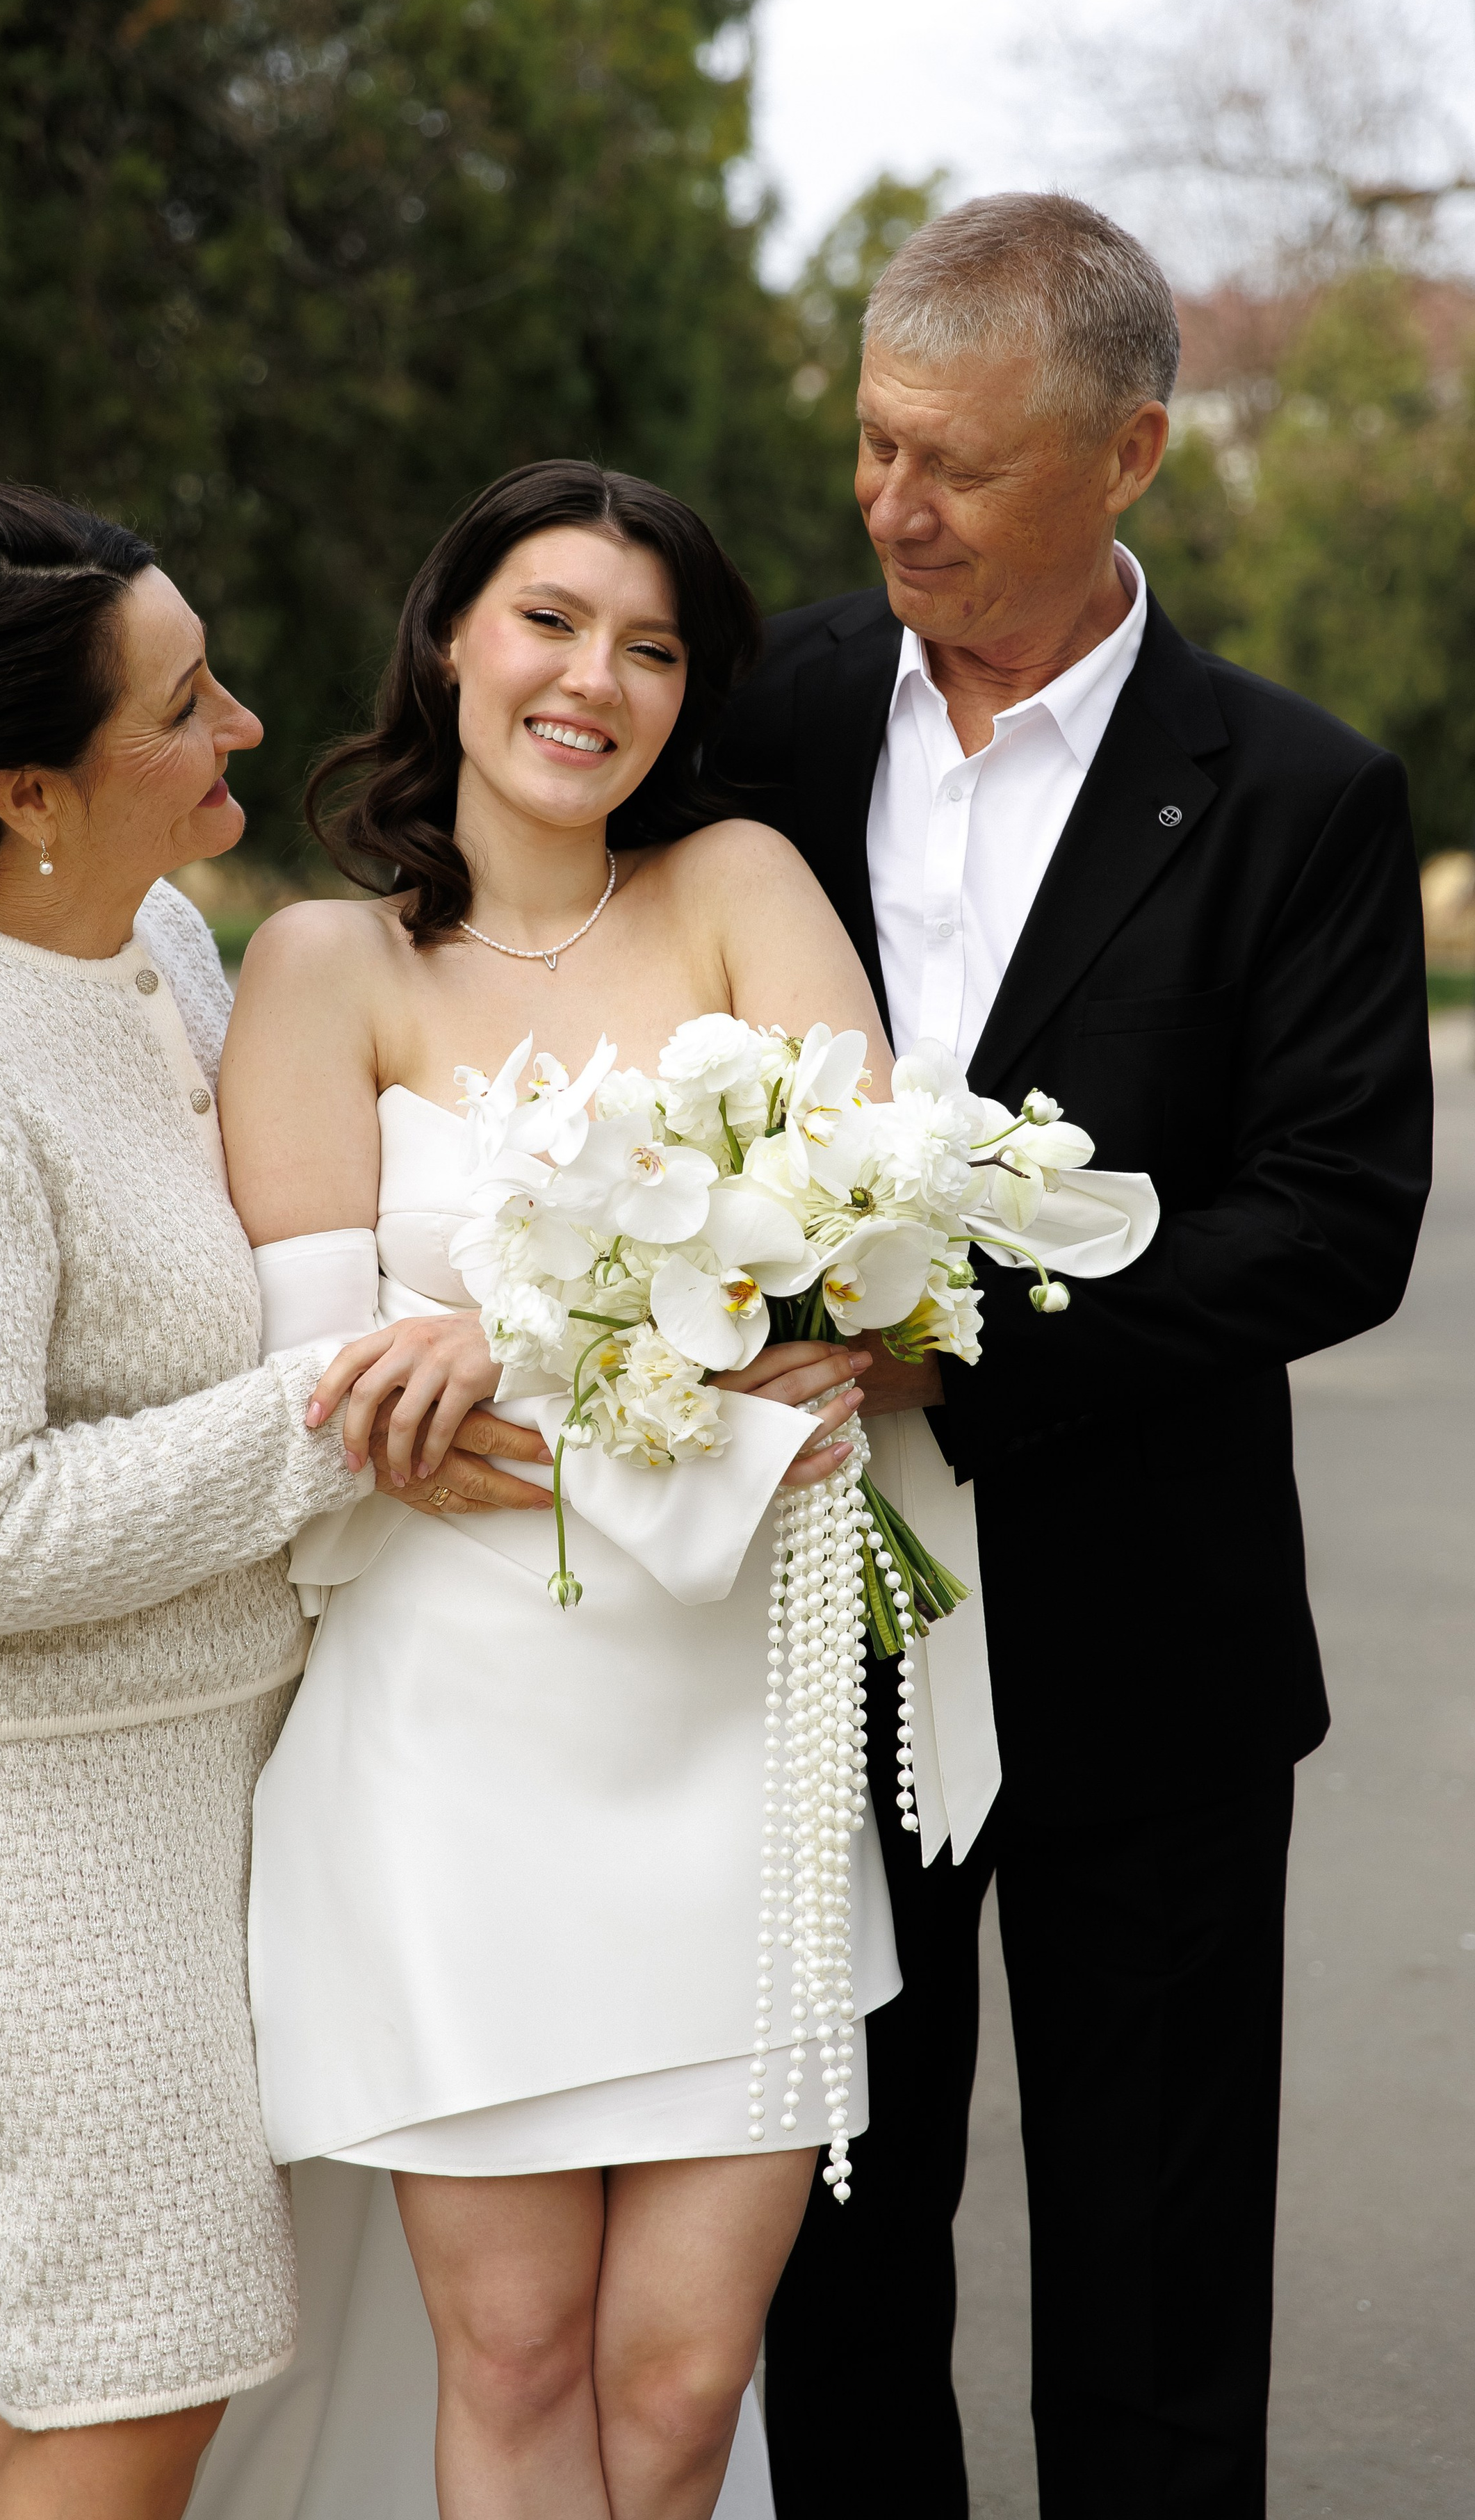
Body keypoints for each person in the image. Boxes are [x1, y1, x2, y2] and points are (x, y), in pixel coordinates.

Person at [710, 193, 1435, 2518]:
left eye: (957, 463)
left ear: (1126, 452)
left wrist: (960, 1354)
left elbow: (1336, 1222)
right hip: (802, 1635)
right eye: (871, 447)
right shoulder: (779, 710)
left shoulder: (1305, 799)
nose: (891, 507)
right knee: (833, 2258)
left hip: (1158, 1646)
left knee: (1151, 2277)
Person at [0, 479, 523, 2520]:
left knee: (82, 2358)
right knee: (133, 2376)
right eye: (183, 707)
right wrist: (329, 1411)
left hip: (207, 1774)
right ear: (25, 788)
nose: (246, 728)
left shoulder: (148, 931)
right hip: (31, 1826)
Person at [213, 460, 911, 2520]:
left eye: (650, 646)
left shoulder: (740, 888)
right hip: (446, 1756)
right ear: (450, 635)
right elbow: (332, 1415)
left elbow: (856, 1251)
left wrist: (516, 1355)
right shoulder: (322, 967)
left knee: (685, 2385)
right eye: (547, 618)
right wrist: (681, 1370)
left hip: (730, 1734)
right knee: (514, 2362)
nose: (589, 677)